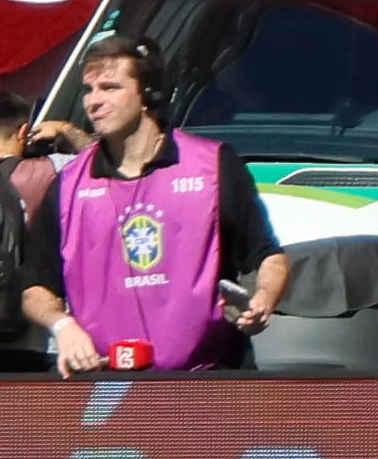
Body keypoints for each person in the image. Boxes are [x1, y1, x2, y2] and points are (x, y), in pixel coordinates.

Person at [26, 30, 289, 376]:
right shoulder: (69, 185)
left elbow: (269, 257)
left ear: (148, 93)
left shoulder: (213, 166)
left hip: (207, 380)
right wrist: (62, 326)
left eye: (110, 88)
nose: (93, 101)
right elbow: (34, 287)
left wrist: (263, 301)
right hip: (105, 387)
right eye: (89, 90)